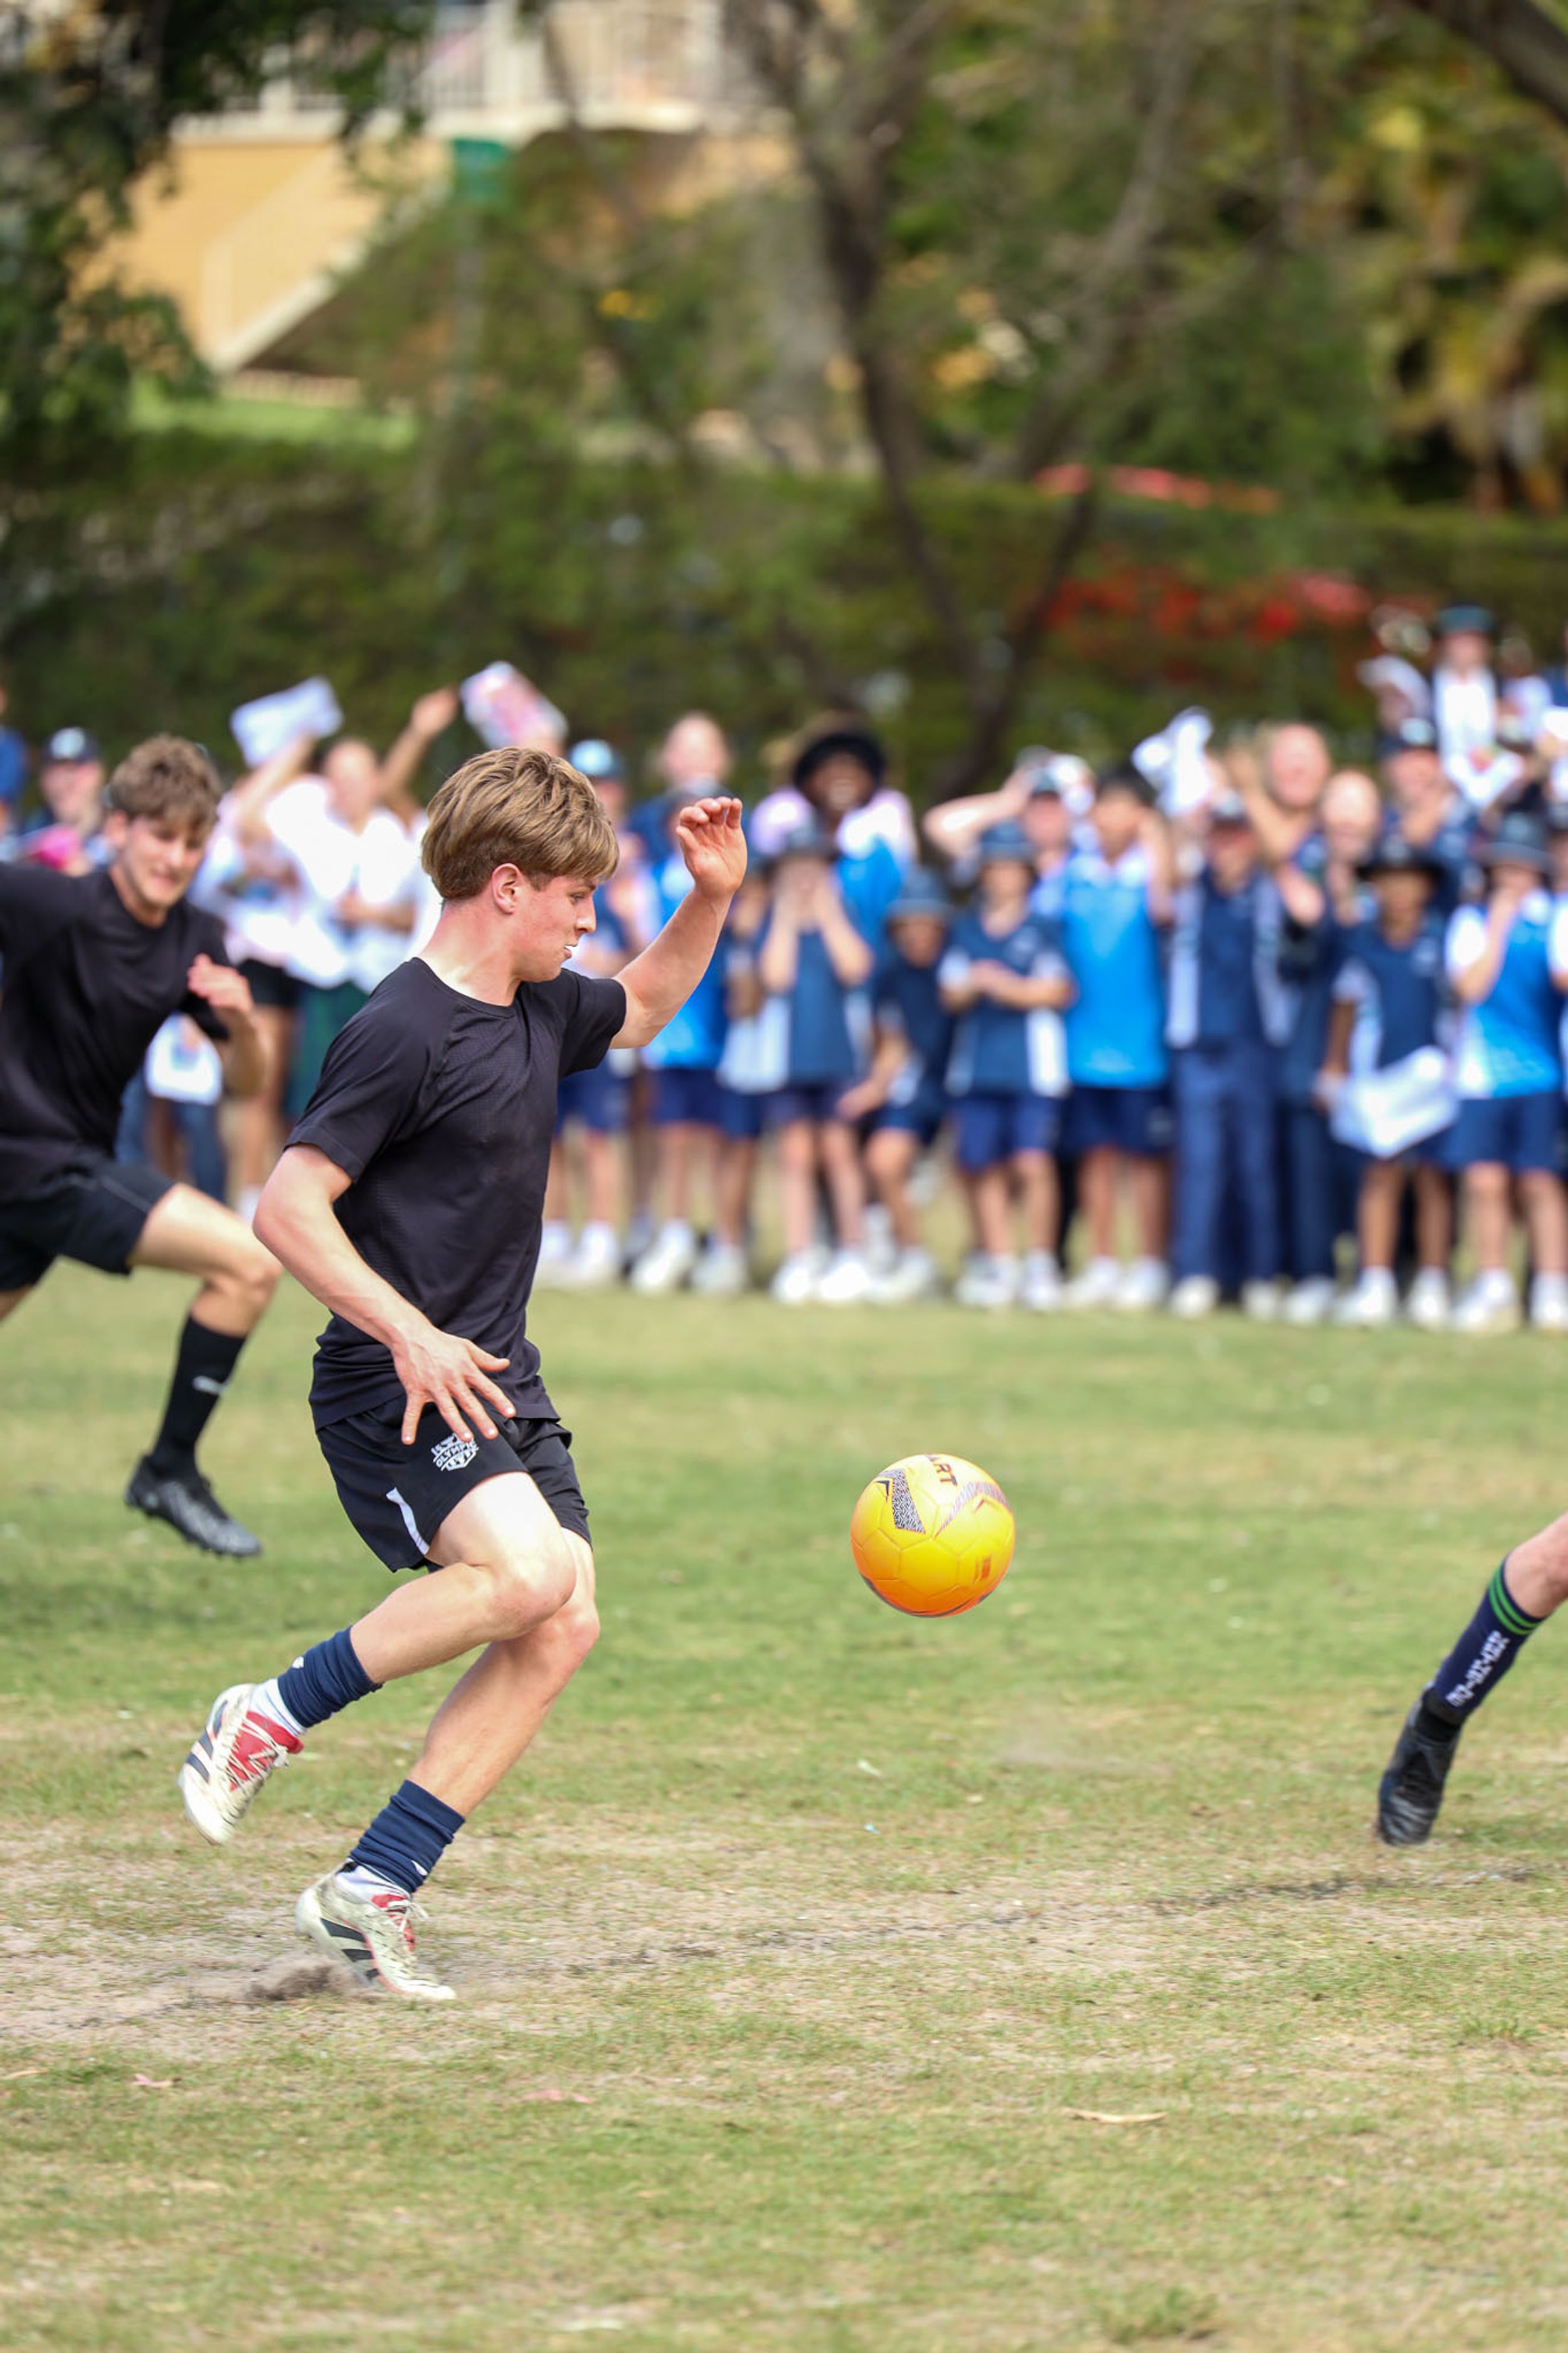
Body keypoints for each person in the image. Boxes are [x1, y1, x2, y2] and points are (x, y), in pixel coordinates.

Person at [177, 747, 747, 2001]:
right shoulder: (398, 1028)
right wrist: (410, 1333)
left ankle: (374, 1885)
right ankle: (265, 1713)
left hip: (493, 1378)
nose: (590, 920)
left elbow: (644, 1006)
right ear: (507, 886)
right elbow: (287, 1208)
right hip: (391, 1383)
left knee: (565, 1618)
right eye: (576, 897)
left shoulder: (539, 1005)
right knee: (528, 1574)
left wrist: (710, 897)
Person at [0, 736, 277, 1554]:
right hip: (37, 1162)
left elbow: (245, 1083)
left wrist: (242, 1023)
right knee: (248, 1263)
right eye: (161, 836)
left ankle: (169, 1470)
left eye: (193, 842)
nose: (175, 858)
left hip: (54, 1171)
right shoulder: (48, 901)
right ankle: (169, 1470)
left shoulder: (196, 936)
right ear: (118, 826)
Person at [1319, 837, 1453, 1330]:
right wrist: (1334, 1067)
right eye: (1388, 880)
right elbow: (1344, 1007)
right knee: (1380, 1176)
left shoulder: (1441, 939)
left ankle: (1433, 1281)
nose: (1398, 890)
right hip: (1378, 1079)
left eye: (1408, 880)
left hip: (1434, 1076)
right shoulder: (1360, 944)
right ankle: (1375, 1280)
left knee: (1433, 1179)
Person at [940, 822, 1074, 1310]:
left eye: (1012, 867)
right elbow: (950, 993)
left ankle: (1040, 1263)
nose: (1003, 877)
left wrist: (1006, 987)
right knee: (983, 1165)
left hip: (1033, 1066)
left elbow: (1059, 989)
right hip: (976, 1064)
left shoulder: (1044, 927)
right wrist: (975, 985)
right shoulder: (966, 928)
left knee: (1032, 1161)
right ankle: (1000, 1262)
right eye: (995, 867)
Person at [1165, 793, 1290, 1320]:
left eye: (1238, 835)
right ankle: (1195, 1272)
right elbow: (1165, 868)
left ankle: (1259, 1274)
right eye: (1219, 834)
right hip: (1199, 1045)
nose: (1228, 846)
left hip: (1255, 1045)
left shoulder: (1271, 892)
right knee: (1200, 1164)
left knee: (1254, 1165)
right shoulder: (1190, 892)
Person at [1443, 810, 1568, 1333]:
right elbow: (1470, 986)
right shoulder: (1471, 921)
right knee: (1485, 1181)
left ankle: (1551, 1289)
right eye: (1504, 865)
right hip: (1482, 1073)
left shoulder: (1557, 917)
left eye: (1523, 865)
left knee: (1540, 1181)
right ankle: (1492, 1283)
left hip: (1543, 1070)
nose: (1512, 875)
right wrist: (1498, 926)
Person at [1057, 765, 1174, 1309]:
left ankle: (1149, 1264)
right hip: (1083, 1044)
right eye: (1105, 806)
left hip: (1143, 1047)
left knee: (1145, 1161)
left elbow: (1166, 910)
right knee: (1096, 1158)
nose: (1113, 817)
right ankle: (1102, 1263)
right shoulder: (1072, 875)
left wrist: (1157, 844)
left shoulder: (1152, 873)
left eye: (1127, 807)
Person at [745, 821, 876, 1305]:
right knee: (795, 1157)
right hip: (787, 1059)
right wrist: (785, 915)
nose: (805, 876)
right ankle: (801, 1255)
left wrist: (827, 913)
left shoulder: (845, 912)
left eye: (814, 867)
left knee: (840, 1155)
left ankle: (853, 1253)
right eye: (796, 866)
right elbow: (775, 977)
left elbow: (856, 967)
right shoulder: (770, 919)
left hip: (838, 1054)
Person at [1273, 769, 1382, 1324]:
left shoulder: (1397, 876)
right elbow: (1289, 964)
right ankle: (1313, 1273)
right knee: (1309, 1168)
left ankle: (1379, 1272)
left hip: (1382, 1047)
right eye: (1337, 803)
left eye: (1357, 804)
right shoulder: (1303, 877)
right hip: (1312, 1043)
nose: (1346, 817)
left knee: (1375, 1170)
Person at [837, 866, 955, 1305]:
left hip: (968, 1087)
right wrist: (875, 1086)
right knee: (881, 1161)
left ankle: (990, 1261)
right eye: (909, 923)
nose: (917, 932)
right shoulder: (892, 977)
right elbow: (892, 1040)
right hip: (916, 1088)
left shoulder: (958, 967)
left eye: (926, 922)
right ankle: (909, 1256)